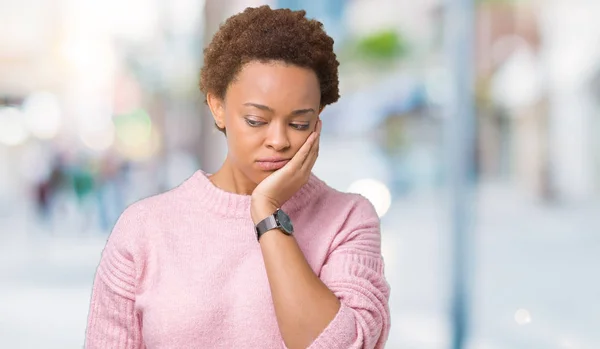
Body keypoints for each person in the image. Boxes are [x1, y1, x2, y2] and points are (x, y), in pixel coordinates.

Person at [85, 5, 390, 349]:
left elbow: (348, 344)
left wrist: (267, 212)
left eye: (299, 123)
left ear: (319, 119)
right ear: (218, 107)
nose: (279, 140)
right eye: (257, 120)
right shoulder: (144, 229)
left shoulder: (347, 220)